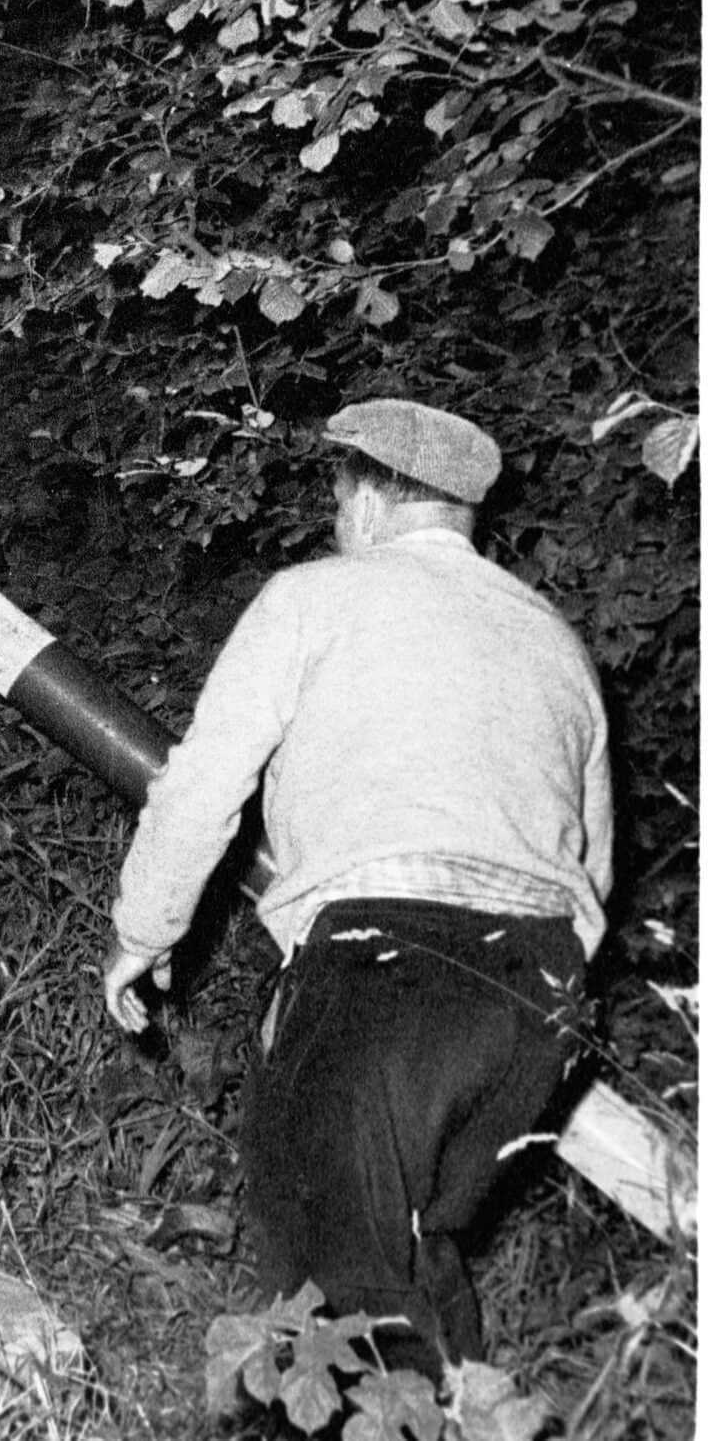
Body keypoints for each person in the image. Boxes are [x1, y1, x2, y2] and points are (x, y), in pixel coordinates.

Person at [102, 398, 613, 1377]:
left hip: (388, 970)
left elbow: (204, 783)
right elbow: (595, 868)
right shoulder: (556, 642)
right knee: (413, 1255)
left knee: (335, 1295)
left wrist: (142, 931)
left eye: (339, 503)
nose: (337, 525)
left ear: (372, 503)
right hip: (542, 999)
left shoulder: (313, 599)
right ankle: (470, 1416)